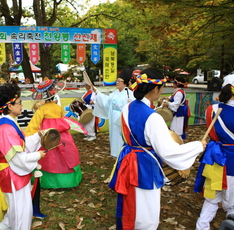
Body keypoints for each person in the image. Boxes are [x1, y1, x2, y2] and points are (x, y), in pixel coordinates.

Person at [109, 68, 206, 230]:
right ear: (155, 89)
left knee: (129, 202)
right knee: (146, 212)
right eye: (161, 89)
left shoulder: (127, 108)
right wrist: (197, 146)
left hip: (127, 160)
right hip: (144, 166)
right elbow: (168, 152)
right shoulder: (153, 117)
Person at [0, 83, 46, 230]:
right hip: (11, 173)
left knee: (17, 207)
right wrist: (38, 155)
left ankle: (5, 224)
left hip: (12, 170)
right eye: (18, 102)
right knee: (21, 211)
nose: (21, 105)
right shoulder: (6, 128)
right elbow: (18, 158)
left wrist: (39, 136)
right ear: (10, 106)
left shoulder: (9, 122)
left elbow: (21, 145)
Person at [24, 79, 82, 189]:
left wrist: (27, 135)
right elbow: (62, 119)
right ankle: (68, 180)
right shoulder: (58, 107)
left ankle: (48, 181)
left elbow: (34, 124)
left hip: (47, 135)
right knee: (67, 154)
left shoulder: (42, 109)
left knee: (48, 157)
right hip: (61, 135)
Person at [194, 74, 234, 230]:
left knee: (212, 198)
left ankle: (202, 226)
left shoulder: (211, 109)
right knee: (232, 202)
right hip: (231, 162)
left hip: (214, 159)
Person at [93, 67, 135, 158]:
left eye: (119, 81)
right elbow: (106, 100)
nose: (117, 82)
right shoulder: (115, 93)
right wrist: (97, 92)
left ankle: (123, 154)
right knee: (114, 135)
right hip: (113, 117)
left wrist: (130, 103)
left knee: (121, 136)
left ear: (125, 83)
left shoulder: (129, 94)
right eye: (117, 80)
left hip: (121, 118)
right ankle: (115, 153)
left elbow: (132, 108)